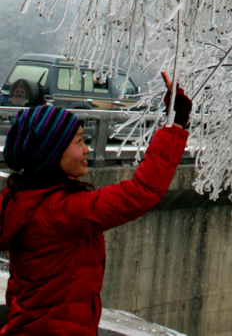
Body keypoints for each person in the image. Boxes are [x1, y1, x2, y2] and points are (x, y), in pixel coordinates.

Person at [0, 82, 192, 336]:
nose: (87, 149)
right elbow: (140, 193)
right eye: (79, 141)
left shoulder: (21, 200)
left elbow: (18, 285)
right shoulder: (61, 212)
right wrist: (175, 125)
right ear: (52, 154)